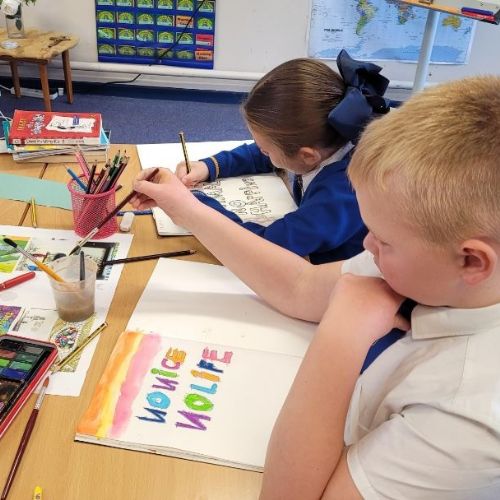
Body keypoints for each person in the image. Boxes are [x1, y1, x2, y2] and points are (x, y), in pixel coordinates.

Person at [131, 75, 500, 499]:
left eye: (384, 240)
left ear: (472, 261)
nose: (366, 245)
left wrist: (340, 338)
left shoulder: (469, 418)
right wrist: (185, 208)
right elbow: (299, 285)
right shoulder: (432, 267)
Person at [175, 51, 393, 264]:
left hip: (338, 275)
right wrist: (209, 166)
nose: (261, 152)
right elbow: (263, 153)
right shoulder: (330, 138)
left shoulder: (340, 195)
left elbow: (266, 247)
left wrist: (196, 207)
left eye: (266, 150)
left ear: (307, 156)